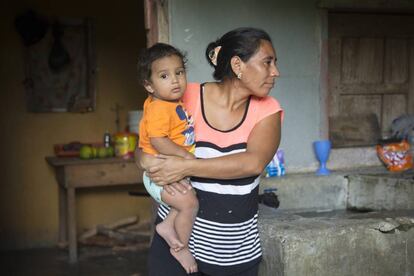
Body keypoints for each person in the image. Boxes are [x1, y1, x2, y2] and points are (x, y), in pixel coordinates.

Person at [137, 27, 283, 276]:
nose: (275, 72)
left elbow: (252, 163)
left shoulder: (268, 110)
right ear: (237, 64)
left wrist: (185, 166)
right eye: (267, 62)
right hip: (176, 248)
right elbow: (147, 142)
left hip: (233, 255)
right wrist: (150, 163)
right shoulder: (186, 95)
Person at [137, 43, 199, 274]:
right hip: (159, 173)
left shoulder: (169, 104)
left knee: (184, 199)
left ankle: (166, 226)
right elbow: (158, 141)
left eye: (179, 73)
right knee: (190, 203)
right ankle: (180, 247)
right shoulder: (160, 108)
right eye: (164, 76)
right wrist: (187, 159)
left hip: (167, 169)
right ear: (149, 85)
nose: (175, 80)